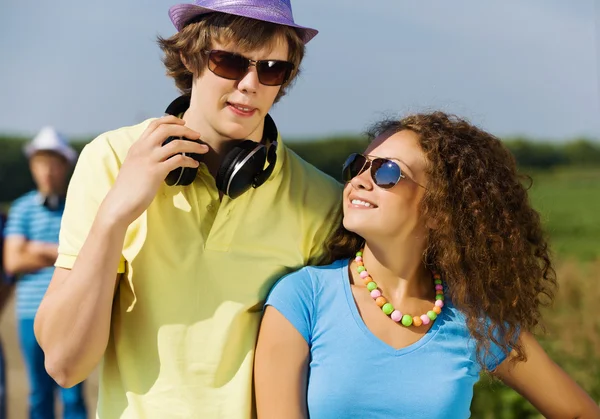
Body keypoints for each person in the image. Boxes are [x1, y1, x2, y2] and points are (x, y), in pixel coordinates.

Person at [33, 1, 341, 418]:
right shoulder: (109, 158)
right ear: (189, 56)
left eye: (270, 68)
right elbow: (66, 366)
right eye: (230, 62)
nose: (251, 84)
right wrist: (114, 215)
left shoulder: (321, 200)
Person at [254, 112, 600, 419]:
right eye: (358, 165)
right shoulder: (303, 297)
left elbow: (579, 412)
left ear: (438, 210)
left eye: (387, 172)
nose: (359, 179)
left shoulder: (473, 319)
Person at [3, 128, 87, 419]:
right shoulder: (23, 208)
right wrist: (65, 252)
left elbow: (89, 257)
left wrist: (37, 249)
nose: (47, 171)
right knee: (39, 392)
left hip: (71, 311)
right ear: (32, 166)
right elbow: (13, 261)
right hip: (30, 312)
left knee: (73, 391)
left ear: (65, 165)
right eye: (41, 163)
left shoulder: (79, 205)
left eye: (54, 163)